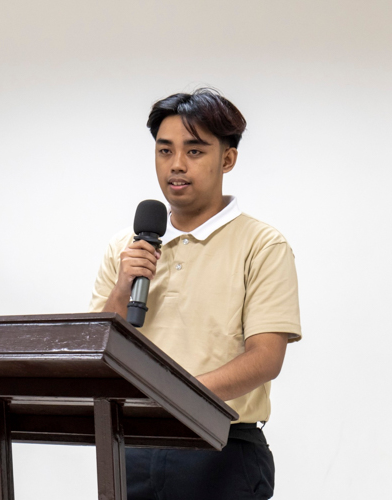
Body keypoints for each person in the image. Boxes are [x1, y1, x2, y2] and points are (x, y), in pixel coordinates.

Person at [88, 88, 302, 500]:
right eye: (164, 151)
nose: (177, 165)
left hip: (221, 449)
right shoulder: (126, 247)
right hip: (131, 445)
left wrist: (173, 396)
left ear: (228, 158)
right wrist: (121, 288)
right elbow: (98, 351)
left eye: (195, 151)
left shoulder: (261, 245)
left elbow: (266, 357)